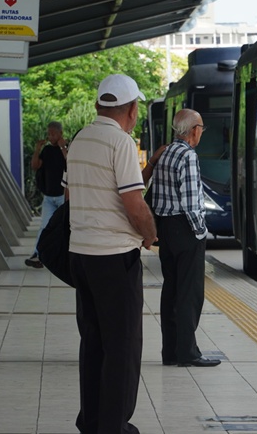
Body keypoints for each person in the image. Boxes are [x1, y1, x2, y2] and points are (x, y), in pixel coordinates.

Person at [63, 74, 157, 434]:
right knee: (123, 347)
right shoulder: (121, 143)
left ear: (99, 105)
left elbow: (71, 198)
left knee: (94, 342)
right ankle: (114, 426)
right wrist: (149, 234)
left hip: (81, 256)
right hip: (114, 257)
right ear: (132, 110)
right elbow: (134, 204)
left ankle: (92, 421)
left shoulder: (80, 139)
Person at [146, 109, 221, 367]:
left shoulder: (166, 152)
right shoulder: (188, 156)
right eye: (201, 127)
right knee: (190, 294)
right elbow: (190, 202)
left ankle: (171, 351)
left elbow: (156, 193)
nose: (201, 132)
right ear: (193, 130)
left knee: (172, 290)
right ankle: (188, 353)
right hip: (185, 229)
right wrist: (200, 232)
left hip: (166, 228)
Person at [25, 121, 67, 268]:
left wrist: (62, 146)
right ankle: (38, 254)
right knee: (44, 226)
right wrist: (37, 149)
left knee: (65, 226)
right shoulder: (47, 150)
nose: (50, 136)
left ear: (60, 134)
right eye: (49, 134)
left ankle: (65, 256)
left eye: (53, 134)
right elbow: (35, 166)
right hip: (49, 196)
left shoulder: (67, 148)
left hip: (63, 195)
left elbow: (70, 162)